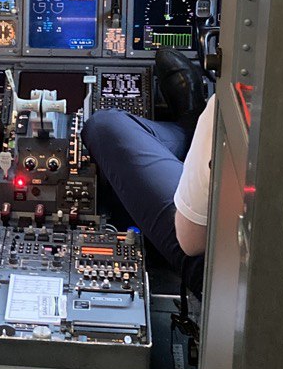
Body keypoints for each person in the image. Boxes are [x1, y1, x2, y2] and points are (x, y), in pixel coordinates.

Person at [82, 49, 214, 293]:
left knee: (103, 127)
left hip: (213, 265)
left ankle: (195, 126)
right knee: (180, 138)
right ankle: (192, 125)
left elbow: (191, 239)